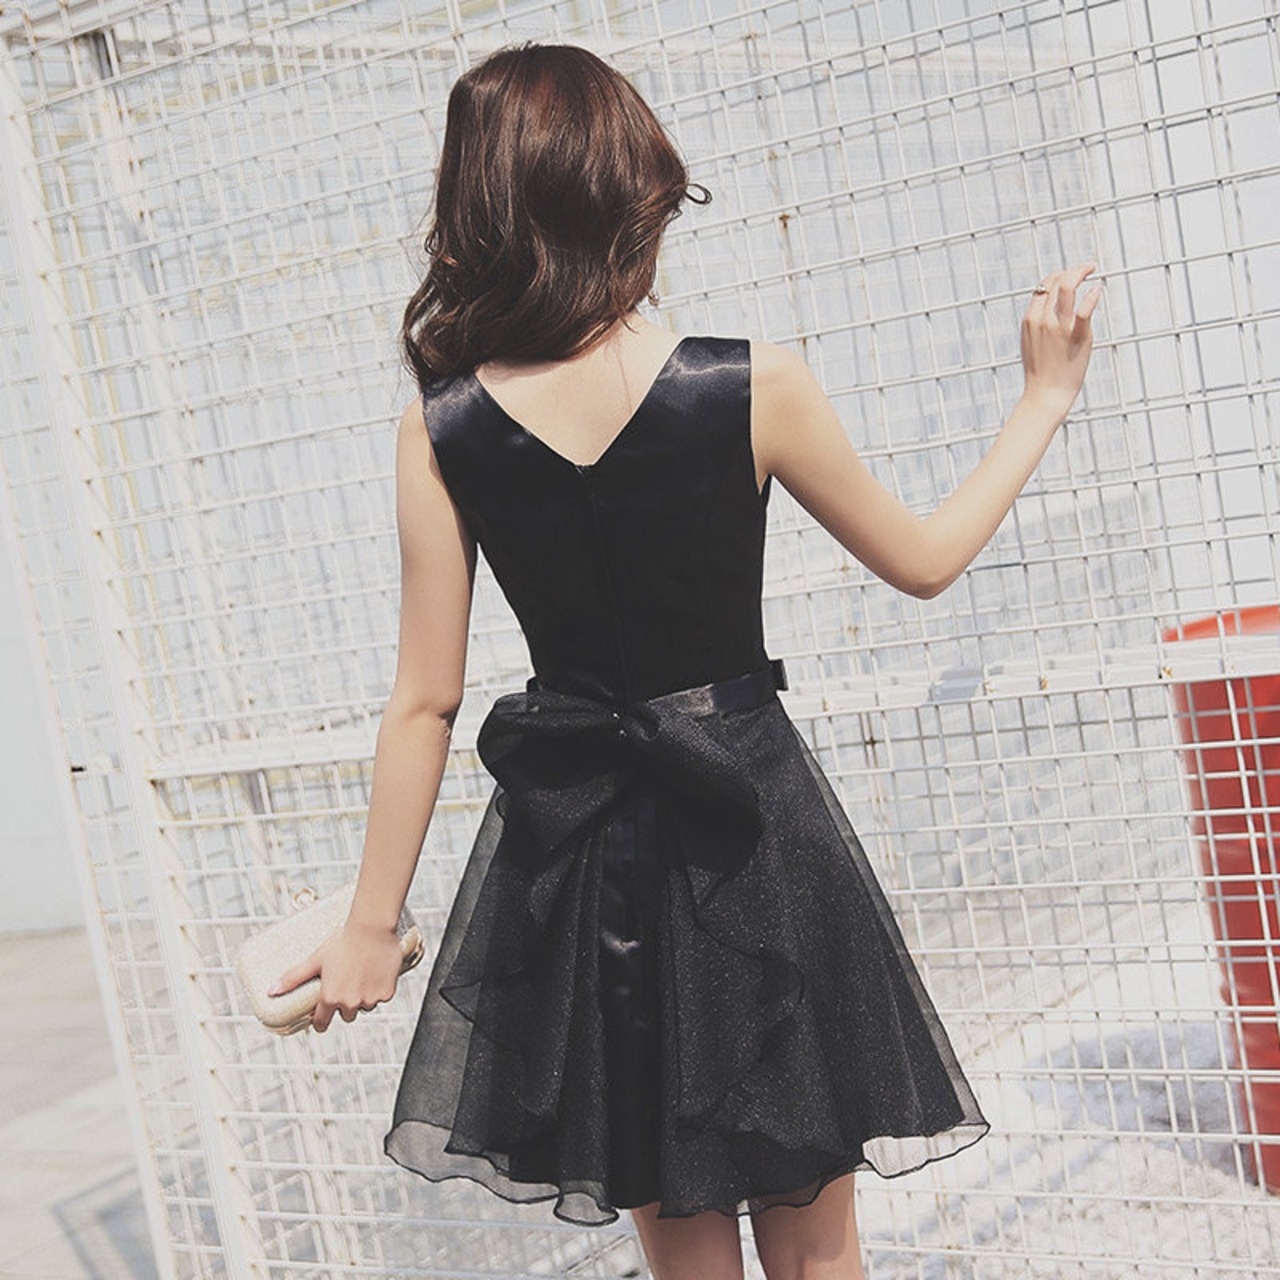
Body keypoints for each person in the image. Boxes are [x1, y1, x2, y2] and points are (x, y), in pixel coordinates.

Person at [268, 40, 1101, 1280]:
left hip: (584, 859)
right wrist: (1040, 399)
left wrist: (370, 924)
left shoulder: (440, 429)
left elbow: (424, 700)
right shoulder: (751, 384)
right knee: (816, 1253)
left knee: (685, 1256)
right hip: (756, 828)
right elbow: (923, 560)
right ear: (631, 192)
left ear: (477, 207)